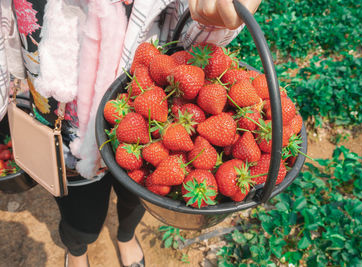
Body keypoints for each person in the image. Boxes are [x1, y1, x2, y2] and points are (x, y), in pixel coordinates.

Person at [0, 0, 262, 266]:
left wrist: (215, 12)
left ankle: (126, 235)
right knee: (78, 207)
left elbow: (191, 23)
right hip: (63, 111)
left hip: (140, 98)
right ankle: (77, 247)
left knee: (138, 188)